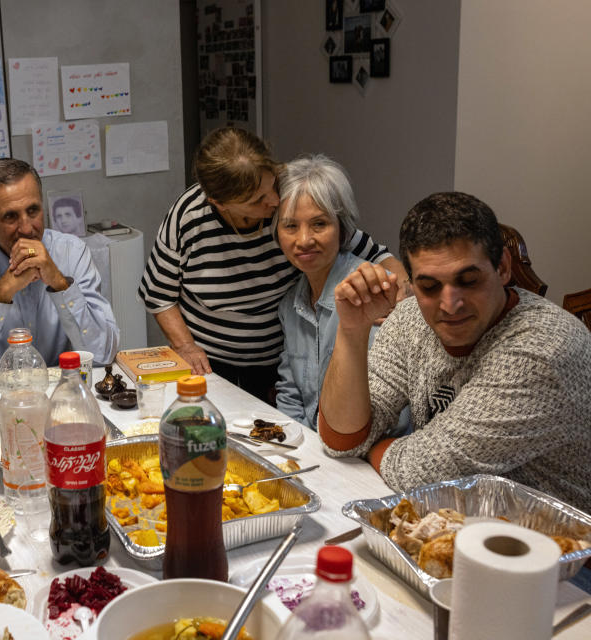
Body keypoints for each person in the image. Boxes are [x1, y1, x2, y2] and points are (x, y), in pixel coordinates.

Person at [318, 192, 591, 513]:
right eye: (430, 286)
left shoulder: (543, 350)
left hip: (561, 550)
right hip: (459, 521)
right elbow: (342, 440)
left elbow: (421, 473)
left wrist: (375, 447)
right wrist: (352, 331)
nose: (450, 304)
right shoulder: (409, 319)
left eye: (468, 280)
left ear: (502, 268)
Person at [138, 127, 406, 403]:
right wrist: (186, 346)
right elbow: (158, 294)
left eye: (271, 185)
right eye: (256, 200)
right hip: (209, 361)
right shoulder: (188, 217)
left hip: (278, 360)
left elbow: (368, 249)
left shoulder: (285, 194)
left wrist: (401, 295)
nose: (274, 201)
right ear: (219, 204)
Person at [0, 158, 119, 380]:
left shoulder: (71, 253)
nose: (27, 228)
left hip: (61, 396)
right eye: (10, 216)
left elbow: (104, 353)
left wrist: (60, 284)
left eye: (33, 211)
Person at [274, 155, 410, 434]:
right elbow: (289, 397)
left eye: (319, 224)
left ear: (343, 229)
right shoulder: (290, 304)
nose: (303, 240)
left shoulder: (374, 294)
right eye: (290, 226)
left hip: (364, 455)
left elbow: (394, 415)